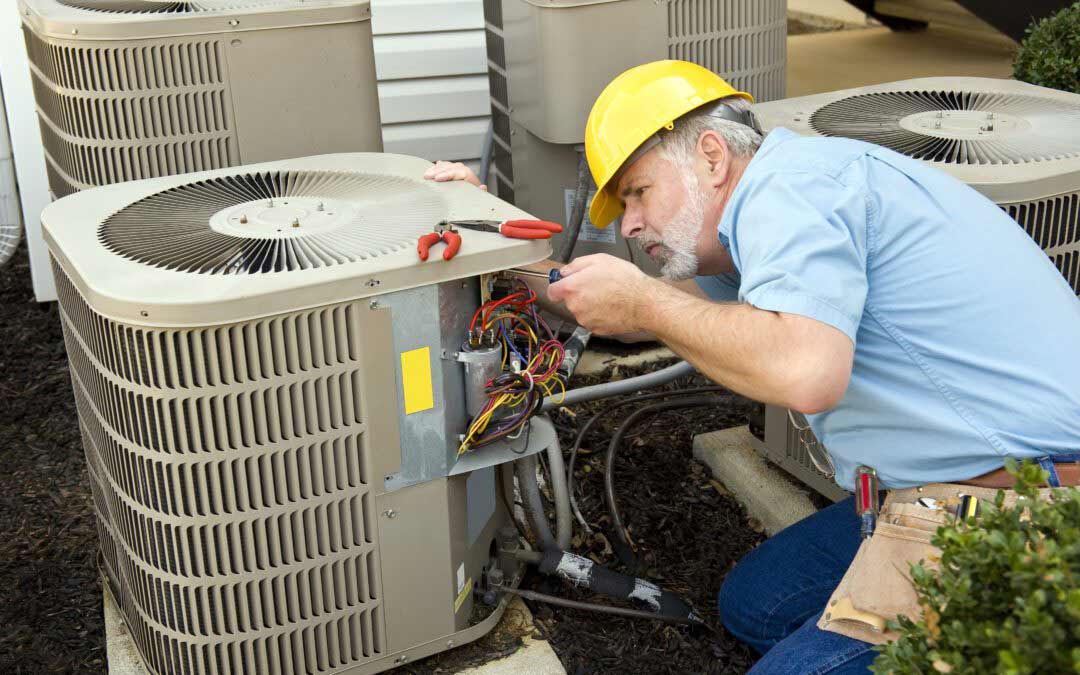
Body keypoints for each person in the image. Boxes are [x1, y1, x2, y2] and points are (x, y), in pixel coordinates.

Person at [425, 60, 1080, 673]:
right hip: (946, 480)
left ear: (711, 155)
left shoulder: (791, 192)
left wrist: (645, 297)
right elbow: (639, 310)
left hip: (1027, 502)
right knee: (755, 605)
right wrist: (493, 235)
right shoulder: (768, 207)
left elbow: (804, 369)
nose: (629, 225)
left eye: (638, 192)